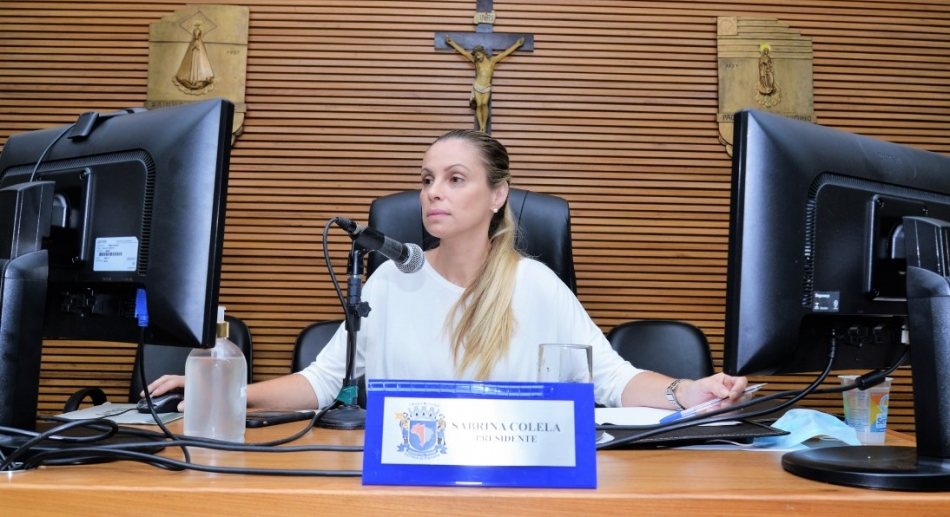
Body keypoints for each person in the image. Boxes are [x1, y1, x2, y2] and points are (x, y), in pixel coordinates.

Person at [146, 129, 748, 412]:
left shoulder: (535, 285)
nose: (434, 192)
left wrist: (687, 391)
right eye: (427, 179)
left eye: (455, 179)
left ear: (497, 196)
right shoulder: (389, 281)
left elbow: (613, 381)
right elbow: (321, 383)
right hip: (406, 481)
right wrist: (218, 394)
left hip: (513, 484)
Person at [445, 36, 524, 132]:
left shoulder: (492, 61)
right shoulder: (476, 63)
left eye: (478, 54)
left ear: (483, 53)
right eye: (476, 56)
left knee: (484, 104)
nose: (477, 57)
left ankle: (484, 126)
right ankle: (481, 127)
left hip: (486, 87)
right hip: (478, 86)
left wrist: (517, 44)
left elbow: (505, 53)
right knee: (479, 105)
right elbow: (465, 53)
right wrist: (452, 43)